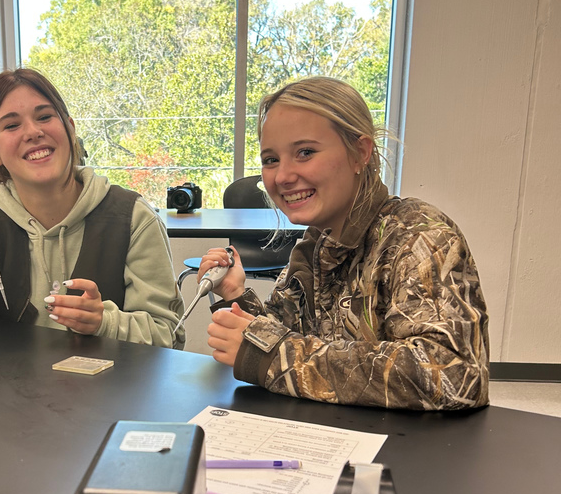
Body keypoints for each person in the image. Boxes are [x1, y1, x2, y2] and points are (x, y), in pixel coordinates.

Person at [198, 77, 489, 410]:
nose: (282, 176)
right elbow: (280, 340)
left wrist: (273, 356)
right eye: (270, 160)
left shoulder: (420, 236)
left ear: (359, 153)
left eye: (305, 152)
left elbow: (453, 375)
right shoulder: (314, 247)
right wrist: (235, 295)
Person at [0, 68, 185, 347]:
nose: (33, 132)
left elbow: (168, 336)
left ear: (70, 129)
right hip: (3, 392)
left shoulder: (133, 219)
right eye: (11, 125)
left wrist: (104, 323)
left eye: (45, 116)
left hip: (110, 394)